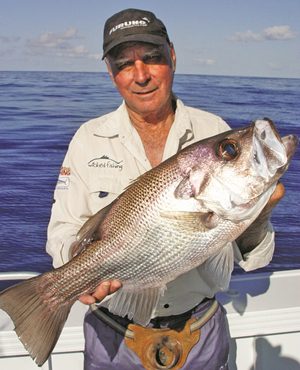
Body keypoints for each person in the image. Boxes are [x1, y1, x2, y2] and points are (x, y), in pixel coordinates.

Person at [46, 8, 284, 370]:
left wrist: (258, 214)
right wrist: (75, 274)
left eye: (152, 58)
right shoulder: (87, 140)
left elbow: (249, 259)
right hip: (113, 337)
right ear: (112, 74)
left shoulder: (212, 127)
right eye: (124, 64)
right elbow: (63, 232)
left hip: (199, 333)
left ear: (172, 56)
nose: (140, 75)